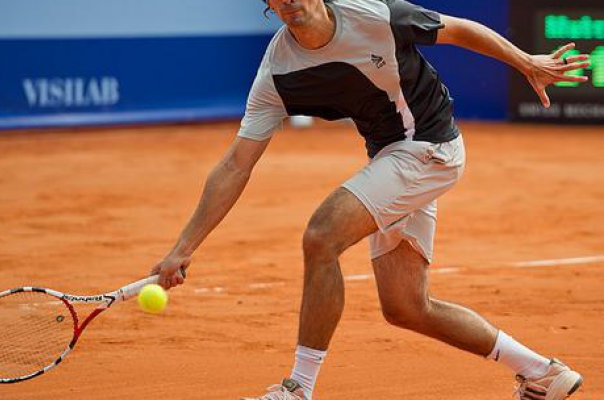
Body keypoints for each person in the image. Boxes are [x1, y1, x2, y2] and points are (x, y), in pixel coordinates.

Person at [150, 1, 590, 399]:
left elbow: (458, 30)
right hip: (393, 155)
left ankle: (297, 389)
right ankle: (542, 373)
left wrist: (526, 61)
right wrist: (183, 247)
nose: (287, 1)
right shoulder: (278, 72)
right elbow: (235, 165)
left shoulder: (376, 14)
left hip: (431, 147)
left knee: (322, 235)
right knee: (406, 307)